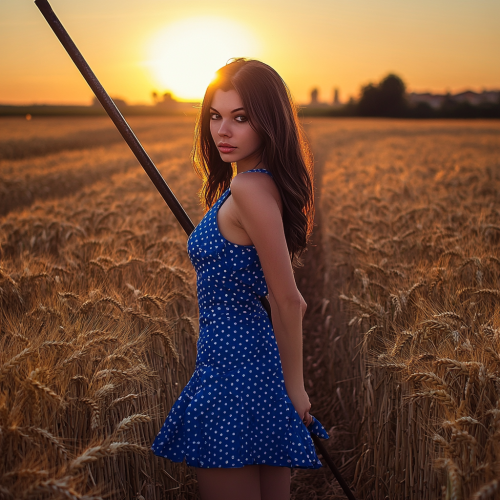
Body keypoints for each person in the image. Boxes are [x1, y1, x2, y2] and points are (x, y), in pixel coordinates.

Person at [151, 58, 329, 500]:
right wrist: (286, 387)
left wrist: (296, 389)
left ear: (268, 122)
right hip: (255, 369)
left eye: (240, 118)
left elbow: (289, 301)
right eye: (215, 116)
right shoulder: (258, 185)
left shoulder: (249, 189)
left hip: (232, 375)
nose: (223, 131)